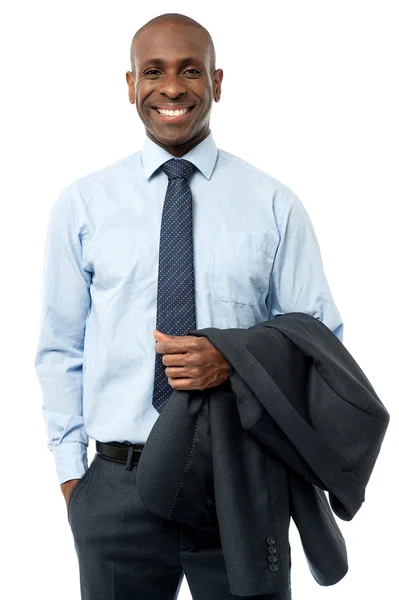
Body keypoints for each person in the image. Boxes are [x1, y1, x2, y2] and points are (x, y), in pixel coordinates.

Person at [34, 12, 344, 600]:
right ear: (130, 85)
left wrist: (235, 360)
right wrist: (74, 477)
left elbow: (321, 342)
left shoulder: (273, 205)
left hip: (239, 481)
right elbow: (59, 348)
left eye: (189, 71)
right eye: (152, 71)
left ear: (217, 82)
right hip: (116, 488)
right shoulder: (83, 206)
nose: (171, 88)